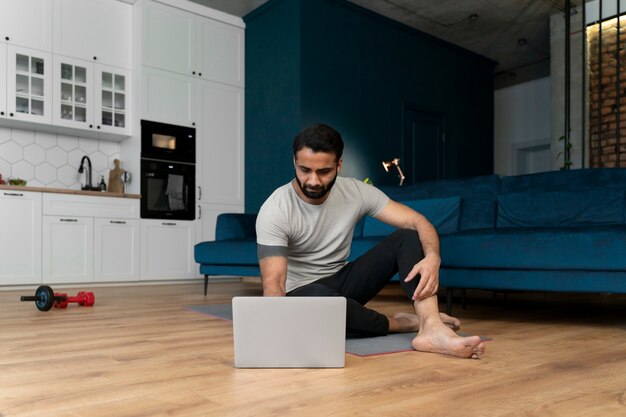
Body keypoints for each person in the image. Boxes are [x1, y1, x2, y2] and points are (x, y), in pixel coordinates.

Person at [256, 124, 485, 359]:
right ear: (294, 163)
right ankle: (402, 324)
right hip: (301, 294)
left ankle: (431, 326)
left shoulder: (356, 192)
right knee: (323, 302)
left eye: (324, 171)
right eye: (305, 170)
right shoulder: (275, 209)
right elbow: (274, 284)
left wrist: (433, 257)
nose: (313, 180)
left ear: (339, 165)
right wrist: (278, 335)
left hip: (343, 281)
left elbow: (418, 221)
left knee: (407, 237)